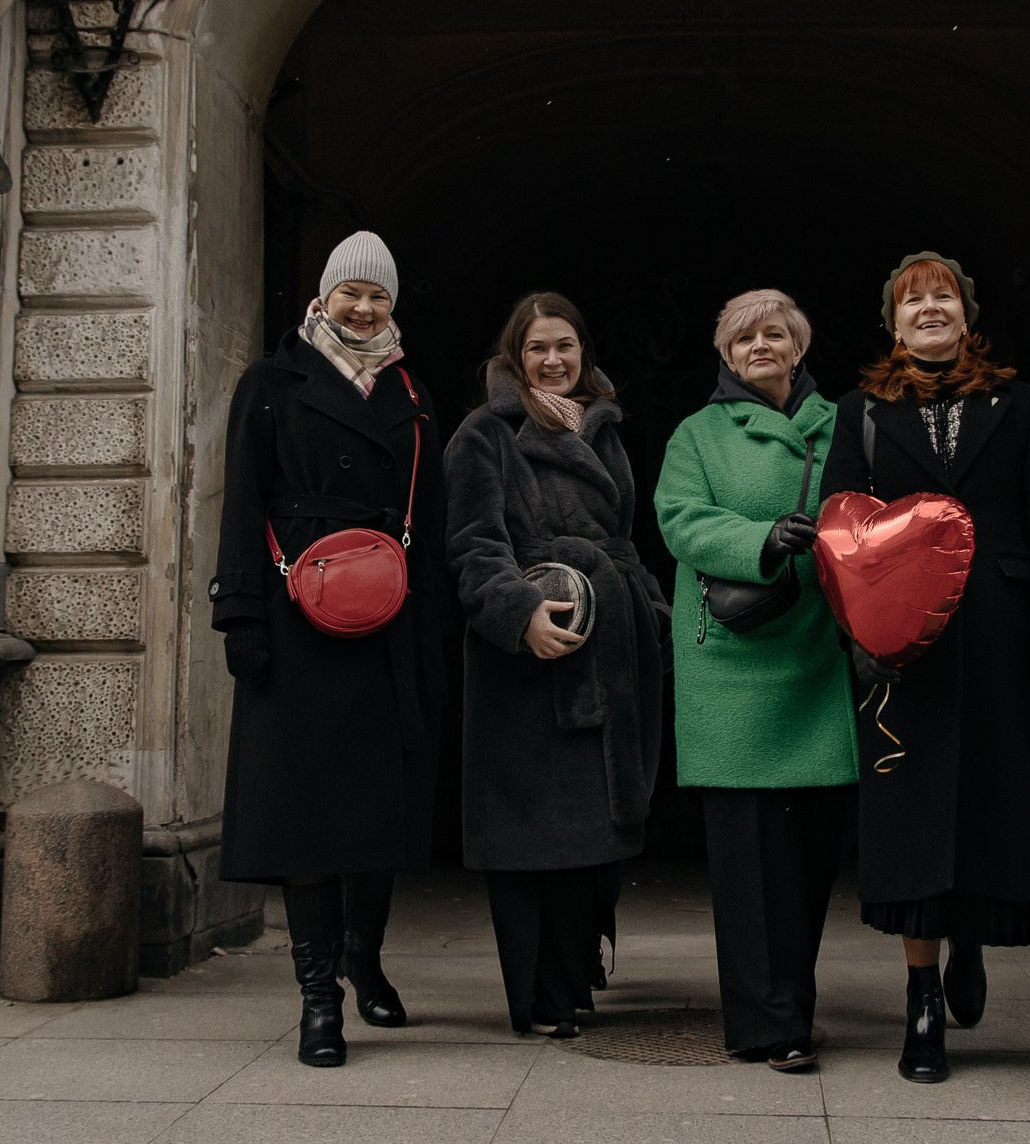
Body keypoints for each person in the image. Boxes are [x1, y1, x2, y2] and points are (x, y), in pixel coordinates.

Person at [816, 252, 1030, 1084]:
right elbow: (839, 529)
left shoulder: (1025, 407)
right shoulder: (860, 411)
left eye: (943, 297)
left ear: (967, 313)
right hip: (904, 647)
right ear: (893, 322)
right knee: (913, 813)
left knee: (993, 800)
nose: (930, 309)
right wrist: (862, 633)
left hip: (999, 637)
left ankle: (971, 946)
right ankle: (921, 993)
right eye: (912, 300)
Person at [208, 231, 455, 1068]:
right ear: (324, 296)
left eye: (378, 296)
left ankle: (366, 960)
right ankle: (319, 999)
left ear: (393, 305)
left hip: (389, 619)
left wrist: (433, 634)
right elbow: (242, 500)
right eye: (350, 292)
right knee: (308, 817)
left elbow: (436, 522)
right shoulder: (271, 383)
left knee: (375, 810)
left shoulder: (415, 391)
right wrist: (240, 614)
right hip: (295, 618)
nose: (364, 307)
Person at [447, 292, 671, 1037]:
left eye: (566, 346)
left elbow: (626, 540)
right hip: (527, 662)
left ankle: (574, 979)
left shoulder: (605, 431)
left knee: (593, 838)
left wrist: (655, 621)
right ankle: (539, 997)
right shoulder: (484, 434)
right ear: (516, 355)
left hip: (605, 648)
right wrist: (520, 616)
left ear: (584, 354)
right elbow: (475, 545)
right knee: (531, 842)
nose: (553, 360)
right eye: (538, 347)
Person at [654, 289, 856, 1073]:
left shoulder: (840, 425)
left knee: (807, 856)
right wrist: (759, 537)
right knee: (746, 861)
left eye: (776, 334)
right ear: (727, 354)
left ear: (799, 348)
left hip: (815, 653)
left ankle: (792, 1008)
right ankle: (763, 1021)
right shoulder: (697, 434)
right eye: (745, 337)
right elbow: (680, 520)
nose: (761, 345)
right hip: (734, 663)